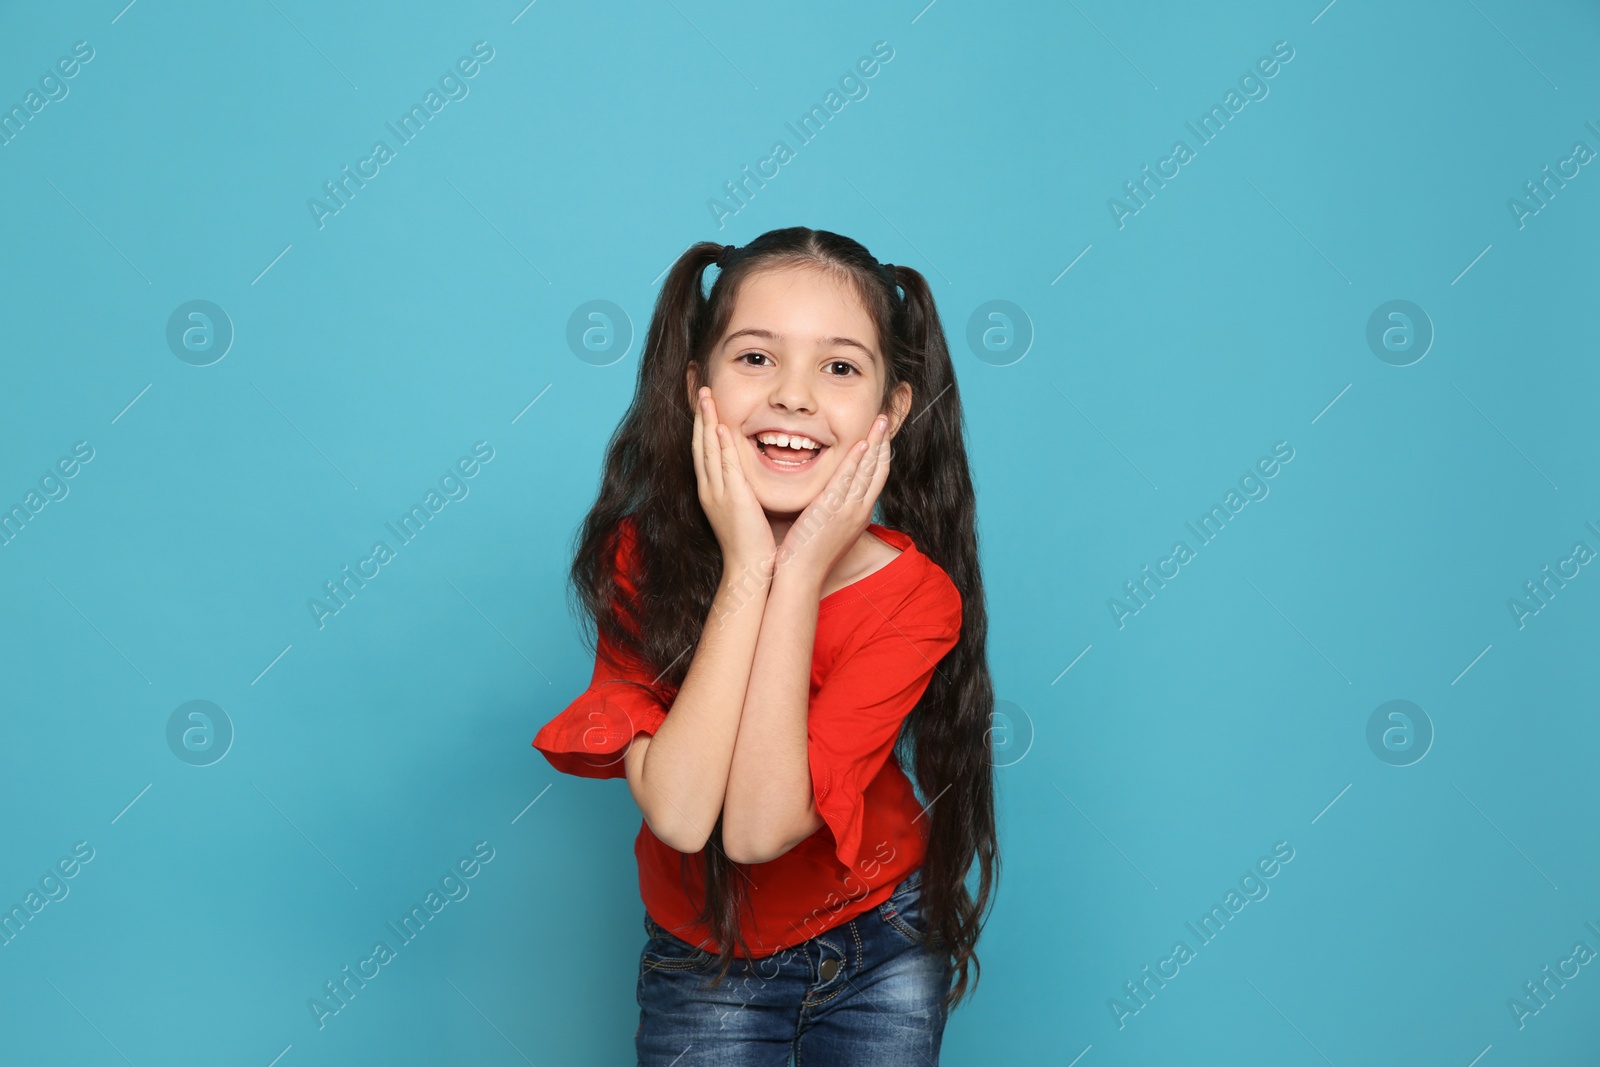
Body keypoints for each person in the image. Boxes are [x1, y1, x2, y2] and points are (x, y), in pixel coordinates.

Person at [531, 226, 998, 1065]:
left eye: (840, 366)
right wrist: (753, 560)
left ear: (891, 411)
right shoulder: (638, 557)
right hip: (701, 962)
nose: (793, 395)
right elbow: (682, 815)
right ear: (696, 387)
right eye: (755, 358)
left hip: (879, 948)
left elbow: (758, 827)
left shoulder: (917, 597)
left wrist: (801, 562)